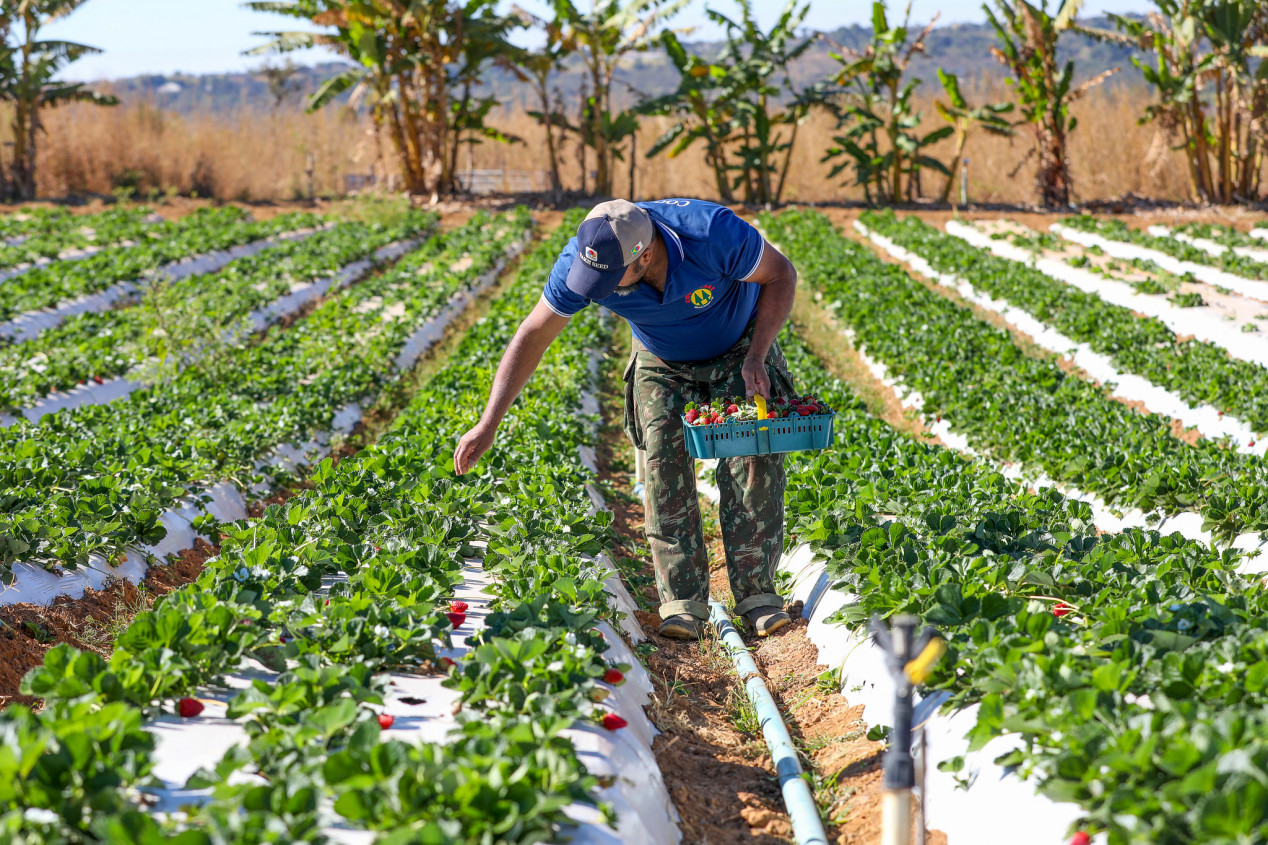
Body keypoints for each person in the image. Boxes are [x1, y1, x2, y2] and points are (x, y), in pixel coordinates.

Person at [453, 198, 798, 640]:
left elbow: (781, 274)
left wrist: (757, 355)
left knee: (751, 459)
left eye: (610, 278)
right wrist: (489, 422)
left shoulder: (710, 233)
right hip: (660, 357)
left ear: (645, 256)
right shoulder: (582, 262)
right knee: (663, 466)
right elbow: (533, 334)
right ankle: (683, 604)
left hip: (740, 345)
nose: (598, 288)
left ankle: (757, 597)